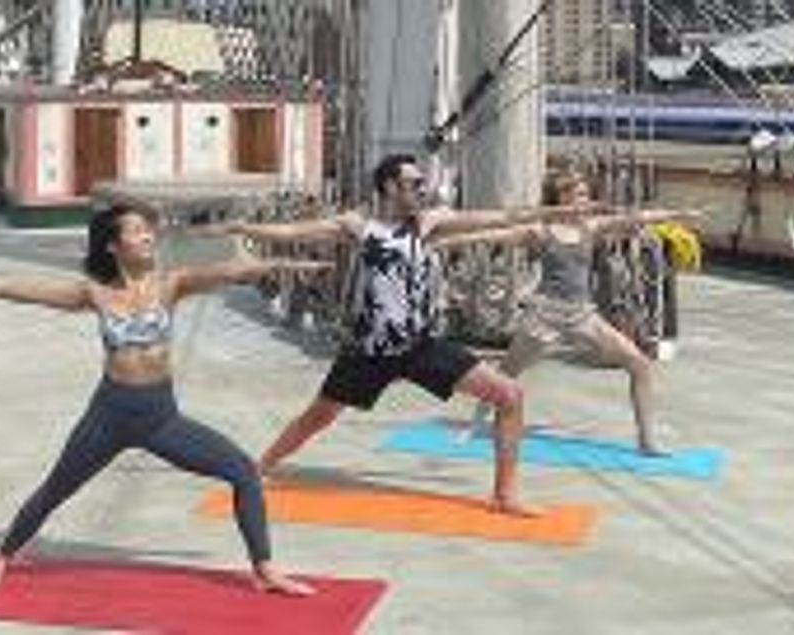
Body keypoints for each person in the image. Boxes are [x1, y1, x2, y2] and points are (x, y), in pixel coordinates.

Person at [0, 203, 330, 596]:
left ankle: (265, 569)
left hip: (160, 419)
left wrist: (287, 267)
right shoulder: (96, 293)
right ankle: (2, 558)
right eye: (136, 231)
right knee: (56, 489)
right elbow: (42, 292)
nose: (148, 236)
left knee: (243, 472)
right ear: (113, 246)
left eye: (148, 230)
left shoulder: (171, 284)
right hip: (108, 416)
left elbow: (228, 272)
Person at [192, 154, 591, 516]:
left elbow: (502, 216)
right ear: (389, 187)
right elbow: (294, 230)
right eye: (413, 184)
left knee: (510, 395)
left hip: (420, 345)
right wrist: (241, 225)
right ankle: (257, 468)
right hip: (368, 350)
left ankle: (505, 495)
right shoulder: (358, 226)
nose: (422, 190)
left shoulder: (429, 223)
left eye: (422, 184)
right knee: (319, 416)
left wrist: (558, 209)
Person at [439, 172, 705, 456]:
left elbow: (639, 218)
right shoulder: (542, 231)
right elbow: (495, 235)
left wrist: (681, 213)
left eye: (585, 194)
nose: (584, 200)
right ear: (561, 197)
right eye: (578, 195)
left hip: (582, 315)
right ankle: (474, 425)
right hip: (545, 315)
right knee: (507, 373)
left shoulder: (591, 227)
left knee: (639, 364)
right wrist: (445, 241)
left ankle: (646, 441)